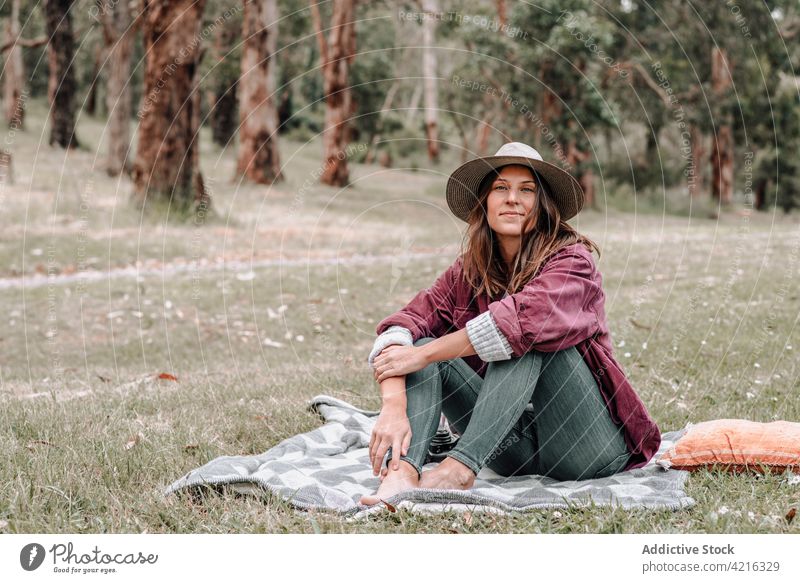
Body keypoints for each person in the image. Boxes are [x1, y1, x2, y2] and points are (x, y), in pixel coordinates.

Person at [360, 142, 661, 506]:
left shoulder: (573, 263)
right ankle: (402, 473)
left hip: (585, 447)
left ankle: (457, 471)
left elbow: (520, 323)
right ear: (484, 202)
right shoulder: (469, 272)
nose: (512, 199)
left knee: (523, 337)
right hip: (509, 449)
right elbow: (401, 325)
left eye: (527, 190)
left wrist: (423, 357)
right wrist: (393, 404)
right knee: (422, 347)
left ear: (544, 205)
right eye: (500, 188)